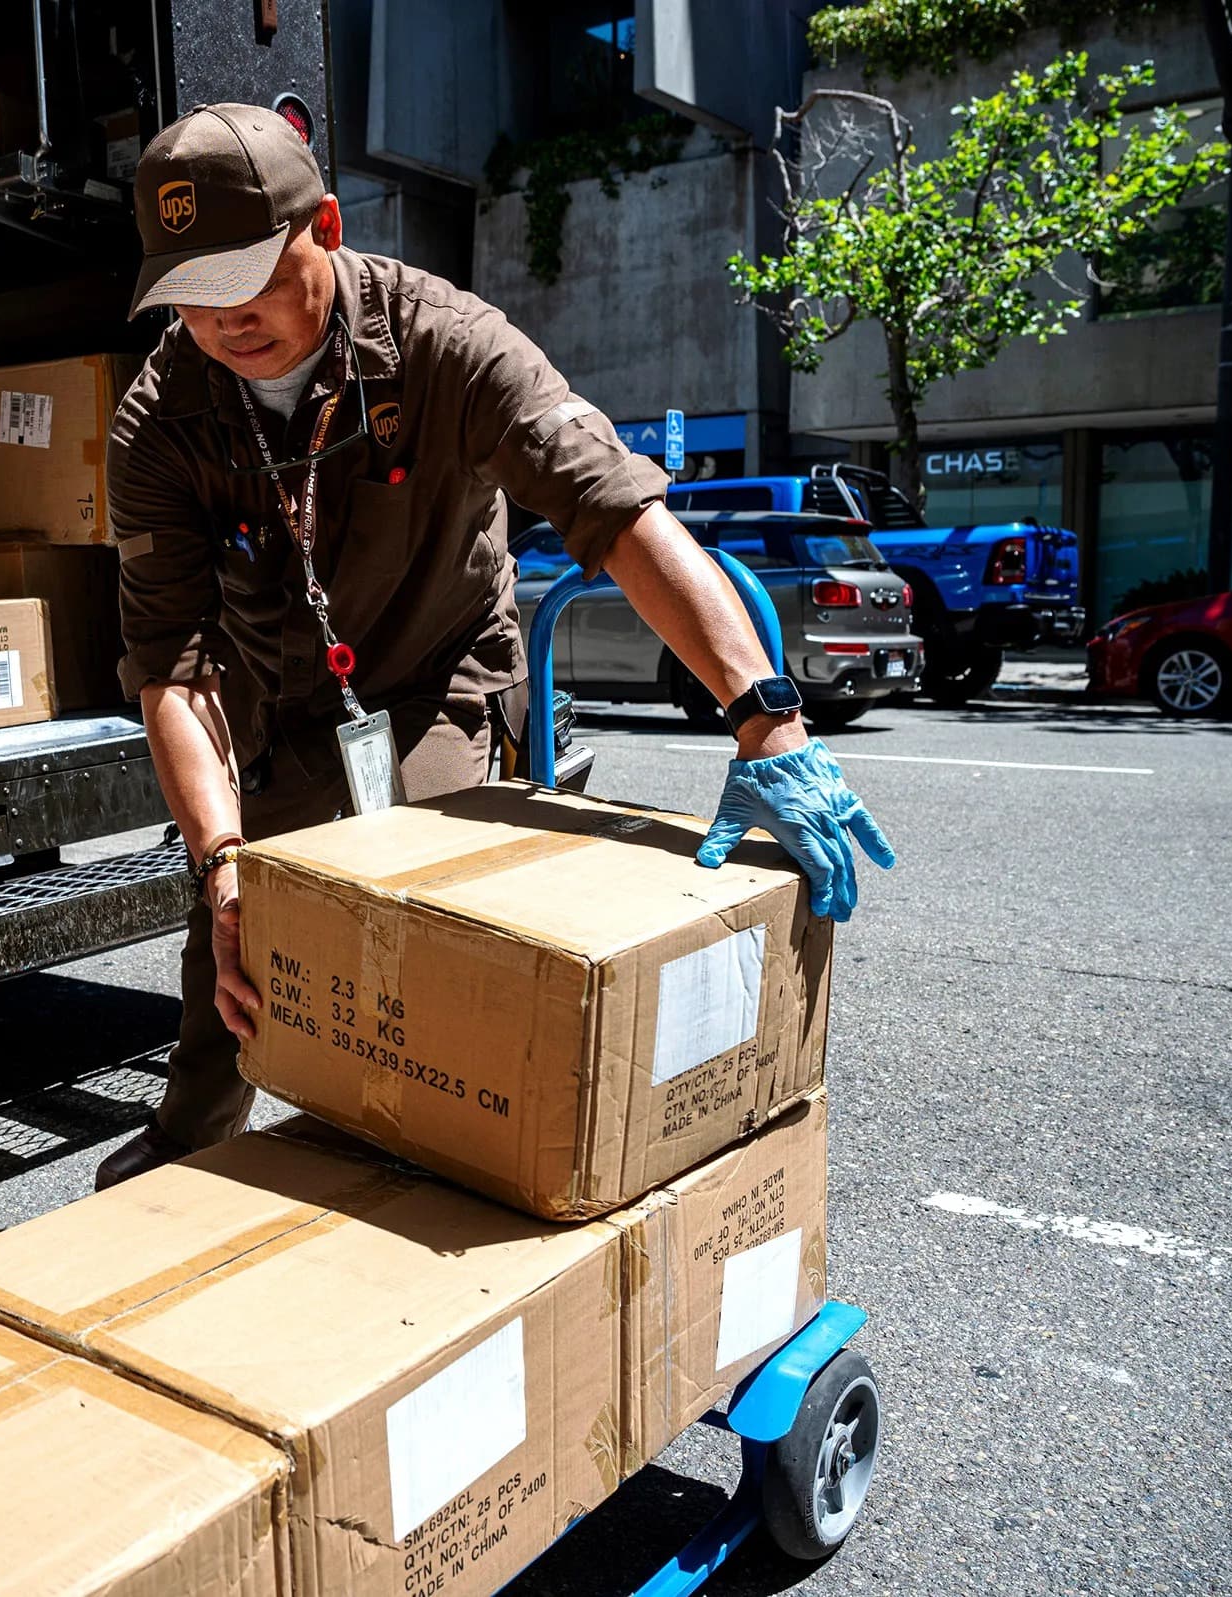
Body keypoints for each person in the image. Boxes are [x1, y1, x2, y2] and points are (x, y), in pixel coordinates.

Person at [95, 104, 893, 1190]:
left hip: (435, 677)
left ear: (324, 225)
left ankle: (436, 1166)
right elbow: (175, 670)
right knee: (235, 941)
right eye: (188, 292)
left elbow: (615, 512)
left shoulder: (444, 342)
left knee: (419, 915)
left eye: (244, 275)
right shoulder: (159, 420)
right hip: (274, 700)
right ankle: (189, 1144)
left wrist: (769, 716)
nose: (222, 317)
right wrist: (225, 865)